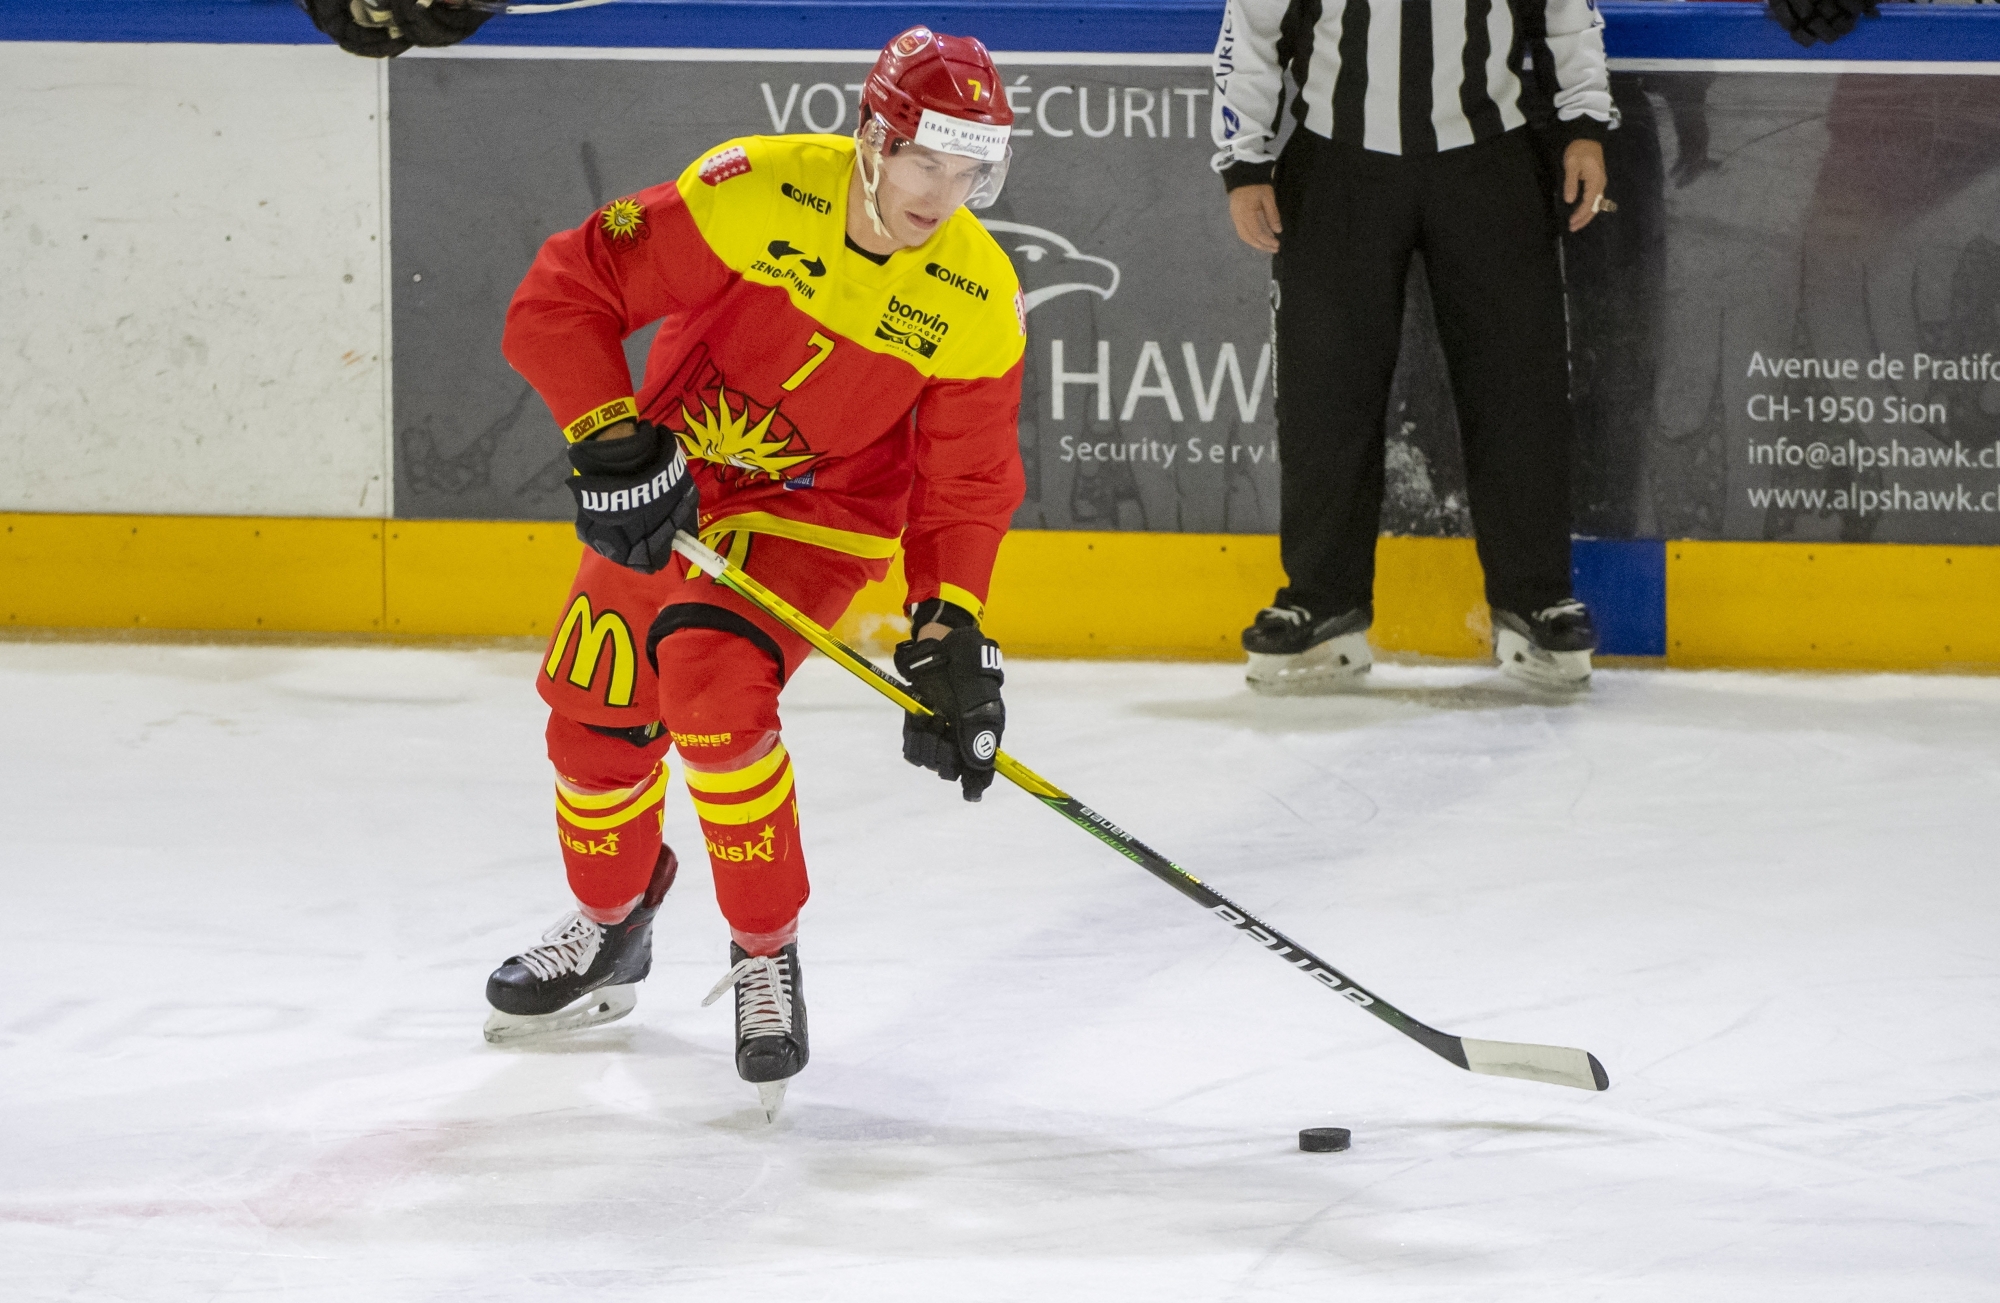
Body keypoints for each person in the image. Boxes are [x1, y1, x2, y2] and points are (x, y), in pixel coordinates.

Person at [485, 27, 1027, 1118]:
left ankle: (763, 947)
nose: (946, 193)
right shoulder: (754, 192)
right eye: (929, 159)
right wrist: (610, 437)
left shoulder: (973, 295)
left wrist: (950, 627)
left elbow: (966, 482)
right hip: (675, 486)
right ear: (874, 137)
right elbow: (562, 291)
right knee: (589, 726)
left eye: (971, 169)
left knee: (713, 694)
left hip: (817, 516)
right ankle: (613, 920)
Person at [1212, 0, 1616, 691]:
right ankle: (1322, 599)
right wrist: (1242, 160)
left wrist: (1583, 126)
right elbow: (1252, 27)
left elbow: (1564, 16)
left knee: (1519, 387)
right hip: (1337, 166)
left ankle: (1533, 598)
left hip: (1491, 164)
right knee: (1325, 394)